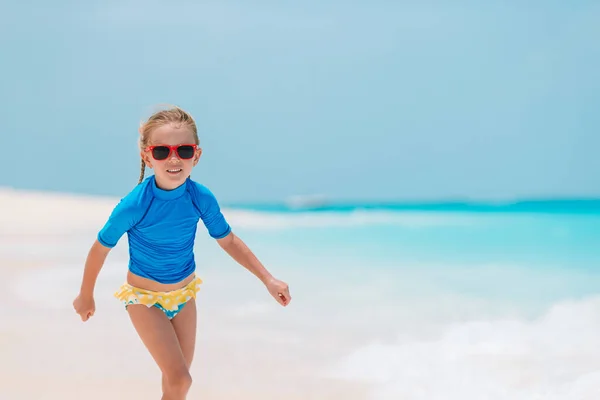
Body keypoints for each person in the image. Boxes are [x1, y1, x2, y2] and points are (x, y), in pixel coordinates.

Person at [72, 105, 291, 400]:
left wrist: (268, 279)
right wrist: (86, 294)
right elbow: (100, 249)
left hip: (185, 297)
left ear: (196, 156)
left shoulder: (200, 197)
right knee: (180, 380)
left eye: (183, 151)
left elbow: (228, 241)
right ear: (147, 156)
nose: (173, 159)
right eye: (162, 152)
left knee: (175, 384)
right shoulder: (135, 204)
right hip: (144, 300)